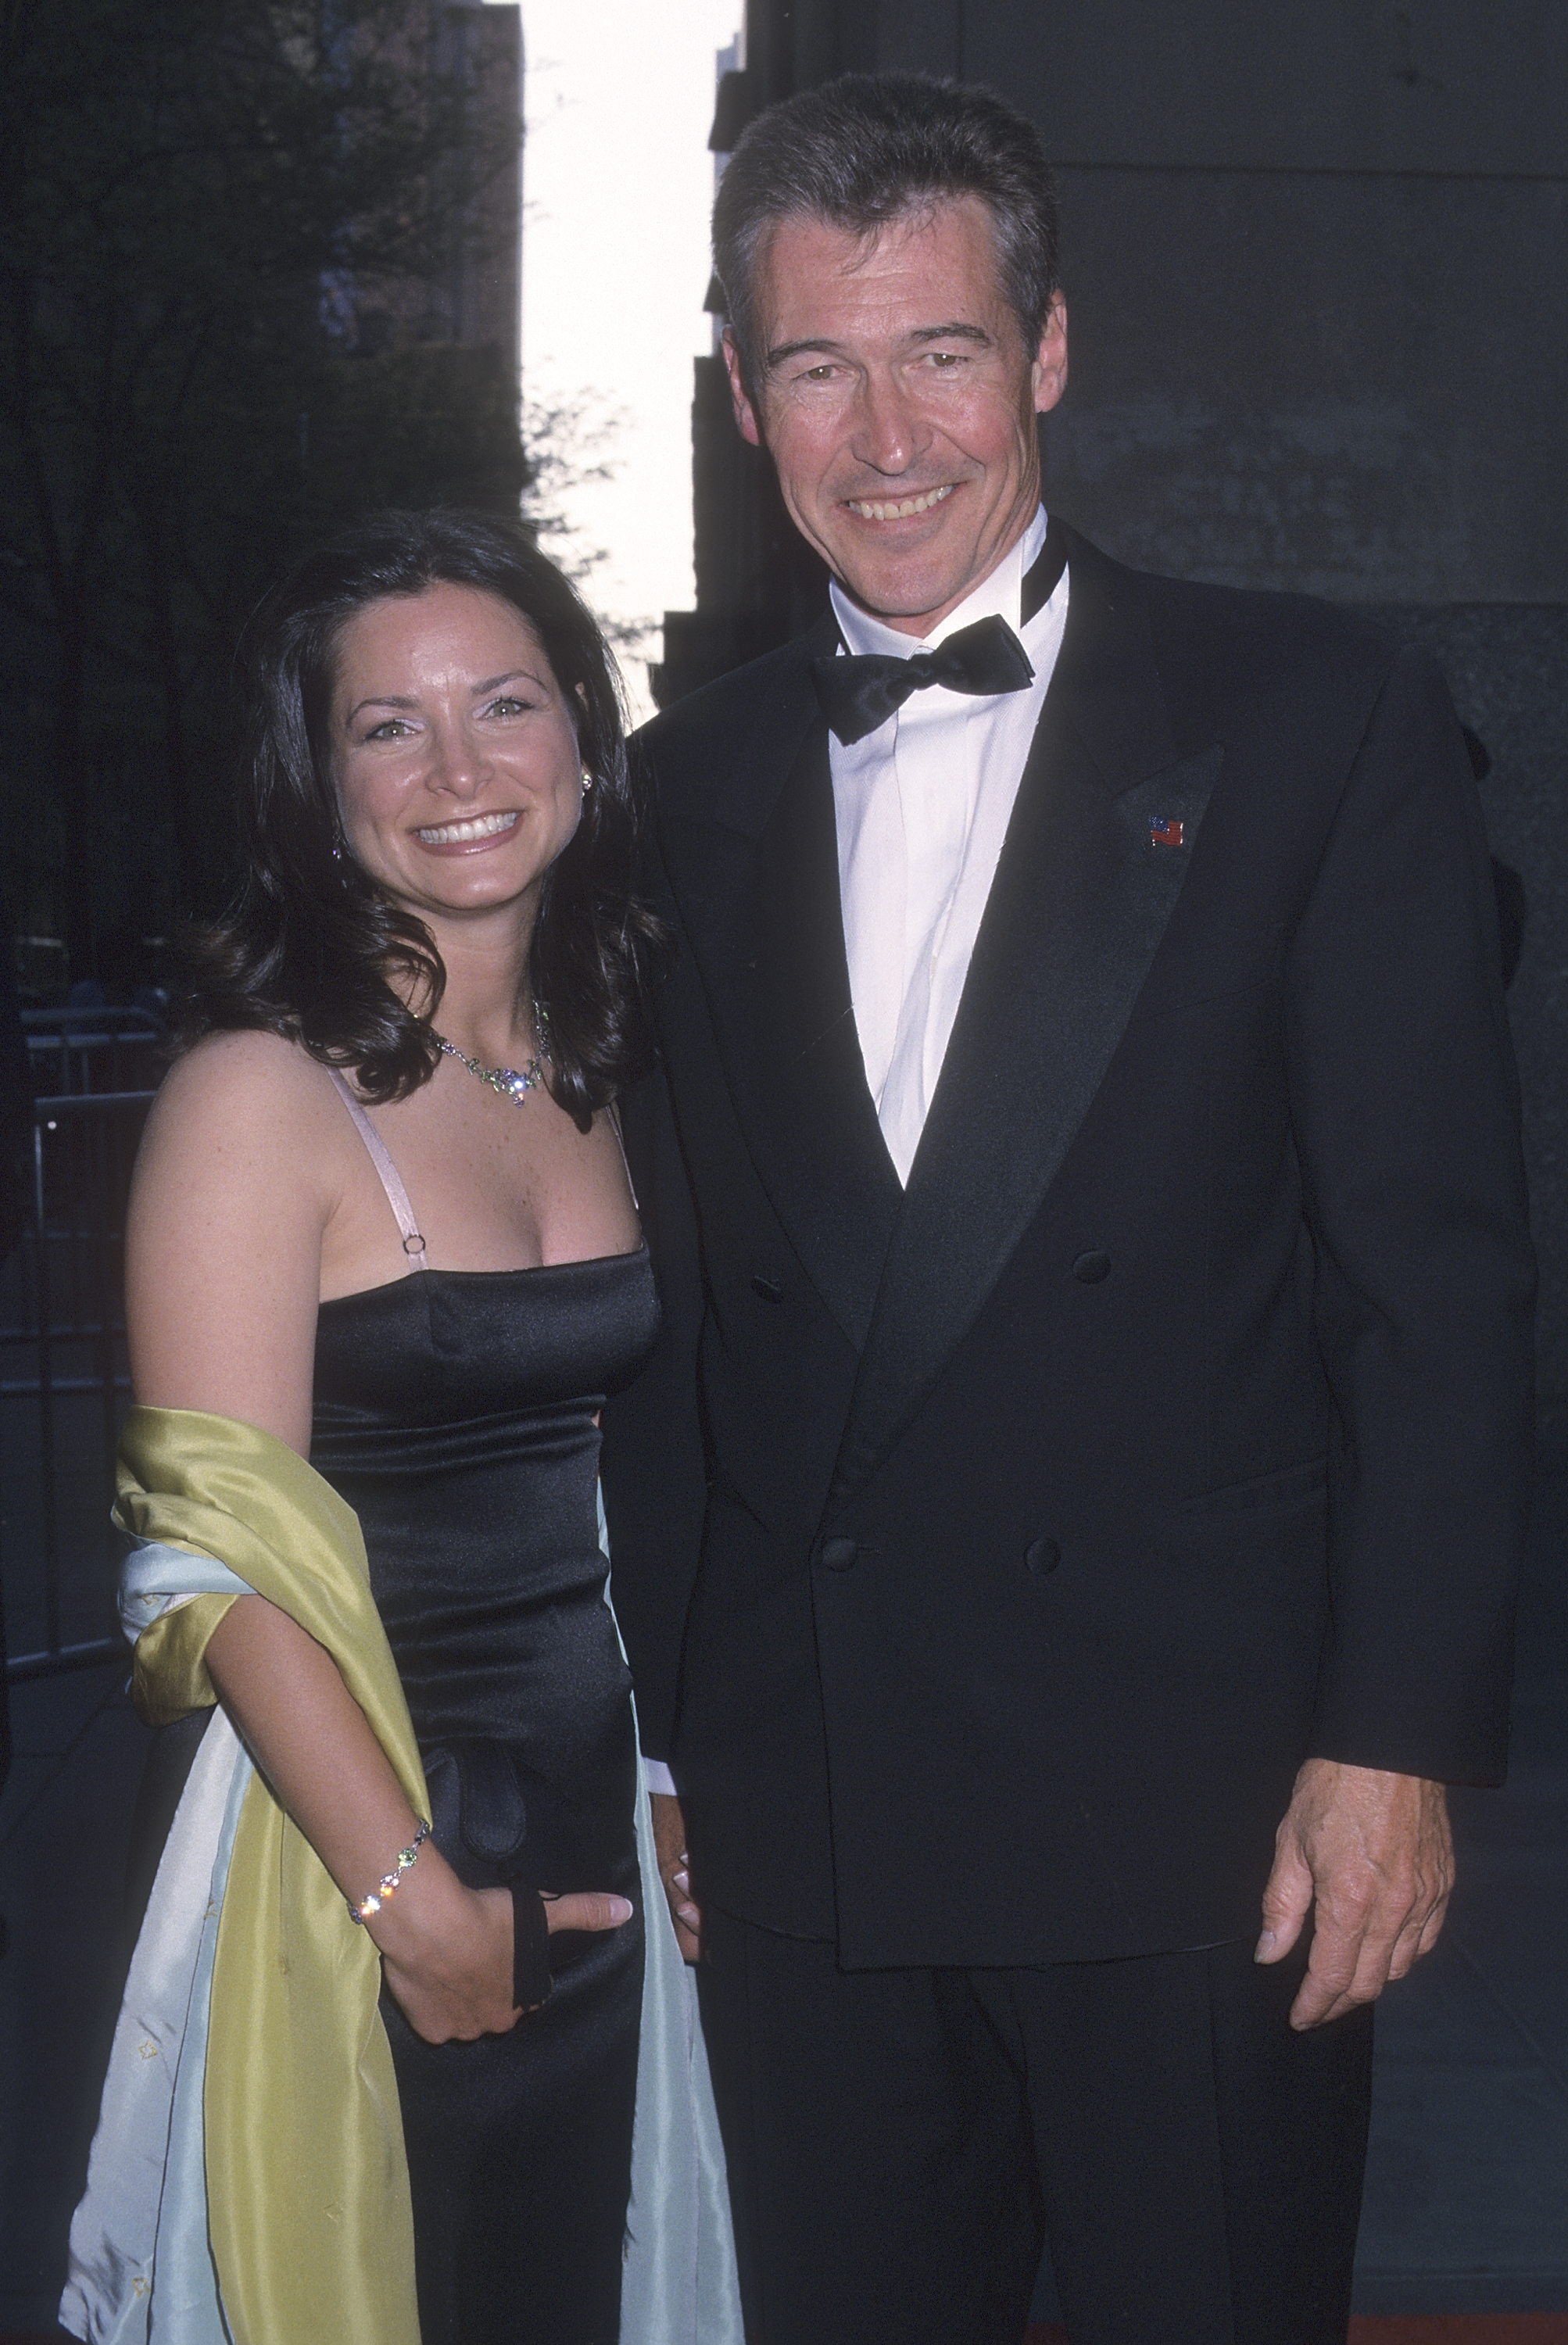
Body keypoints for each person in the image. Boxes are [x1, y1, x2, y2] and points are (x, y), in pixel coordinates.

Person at [600, 72, 1537, 2345]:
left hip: (1198, 1810)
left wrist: (1393, 1737)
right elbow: (668, 1327)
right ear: (740, 398)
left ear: (1043, 353)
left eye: (937, 352)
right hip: (804, 1799)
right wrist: (661, 1739)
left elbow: (1430, 1282)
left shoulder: (1311, 715)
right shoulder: (669, 787)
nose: (883, 430)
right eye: (815, 364)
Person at [61, 510, 737, 2345]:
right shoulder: (253, 1095)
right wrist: (407, 1895)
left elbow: (658, 1480)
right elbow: (210, 1564)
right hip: (350, 1843)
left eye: (504, 704)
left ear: (586, 750)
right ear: (316, 786)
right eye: (387, 727)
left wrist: (672, 1772)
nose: (456, 770)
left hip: (603, 1831)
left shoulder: (613, 1066)